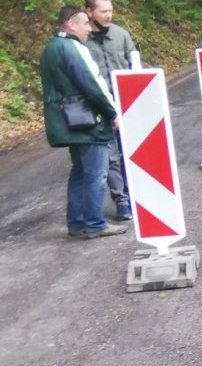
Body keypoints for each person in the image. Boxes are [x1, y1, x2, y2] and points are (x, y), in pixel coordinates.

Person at [40, 6, 127, 239]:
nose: (89, 28)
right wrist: (112, 112)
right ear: (71, 24)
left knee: (79, 172)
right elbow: (92, 84)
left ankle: (77, 223)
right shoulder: (72, 47)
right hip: (87, 122)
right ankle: (95, 223)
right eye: (85, 24)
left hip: (68, 122)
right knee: (97, 173)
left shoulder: (50, 48)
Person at [84, 0, 135, 220]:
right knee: (111, 156)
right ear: (89, 12)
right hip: (101, 108)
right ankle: (122, 200)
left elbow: (135, 64)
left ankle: (138, 195)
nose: (109, 15)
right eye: (103, 11)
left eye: (111, 10)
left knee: (132, 151)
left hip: (127, 104)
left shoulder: (122, 35)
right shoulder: (82, 42)